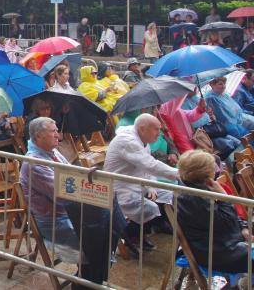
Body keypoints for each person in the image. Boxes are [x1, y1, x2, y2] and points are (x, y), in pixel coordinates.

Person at [104, 113, 179, 255]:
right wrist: (179, 173)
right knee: (150, 208)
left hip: (138, 185)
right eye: (156, 129)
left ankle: (150, 228)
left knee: (170, 196)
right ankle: (129, 234)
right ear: (143, 129)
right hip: (120, 189)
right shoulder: (127, 141)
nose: (159, 133)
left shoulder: (143, 141)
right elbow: (150, 164)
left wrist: (151, 185)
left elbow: (147, 168)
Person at [176, 149, 252, 276]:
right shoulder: (193, 198)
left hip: (224, 244)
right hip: (218, 254)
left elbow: (228, 219)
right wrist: (223, 196)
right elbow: (225, 221)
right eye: (214, 167)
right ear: (206, 174)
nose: (218, 169)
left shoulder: (197, 188)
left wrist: (243, 227)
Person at [20, 117, 82, 252]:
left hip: (68, 212)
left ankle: (90, 270)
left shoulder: (53, 151)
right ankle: (89, 271)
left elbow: (73, 175)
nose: (57, 135)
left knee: (108, 223)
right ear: (38, 136)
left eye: (57, 131)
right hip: (54, 221)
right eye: (53, 131)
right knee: (97, 235)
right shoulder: (34, 162)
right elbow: (62, 194)